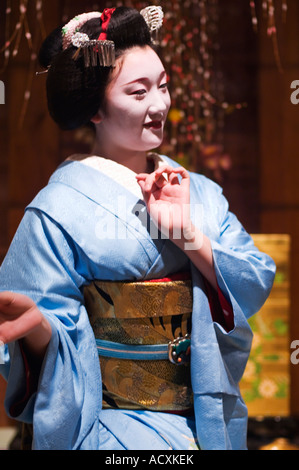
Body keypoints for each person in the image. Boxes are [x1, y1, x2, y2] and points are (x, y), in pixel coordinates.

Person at [0, 6, 275, 450]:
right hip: (110, 426)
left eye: (163, 86)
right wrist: (40, 334)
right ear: (94, 109)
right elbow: (44, 333)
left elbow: (254, 276)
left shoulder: (200, 193)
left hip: (204, 416)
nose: (160, 104)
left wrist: (187, 236)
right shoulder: (56, 210)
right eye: (138, 92)